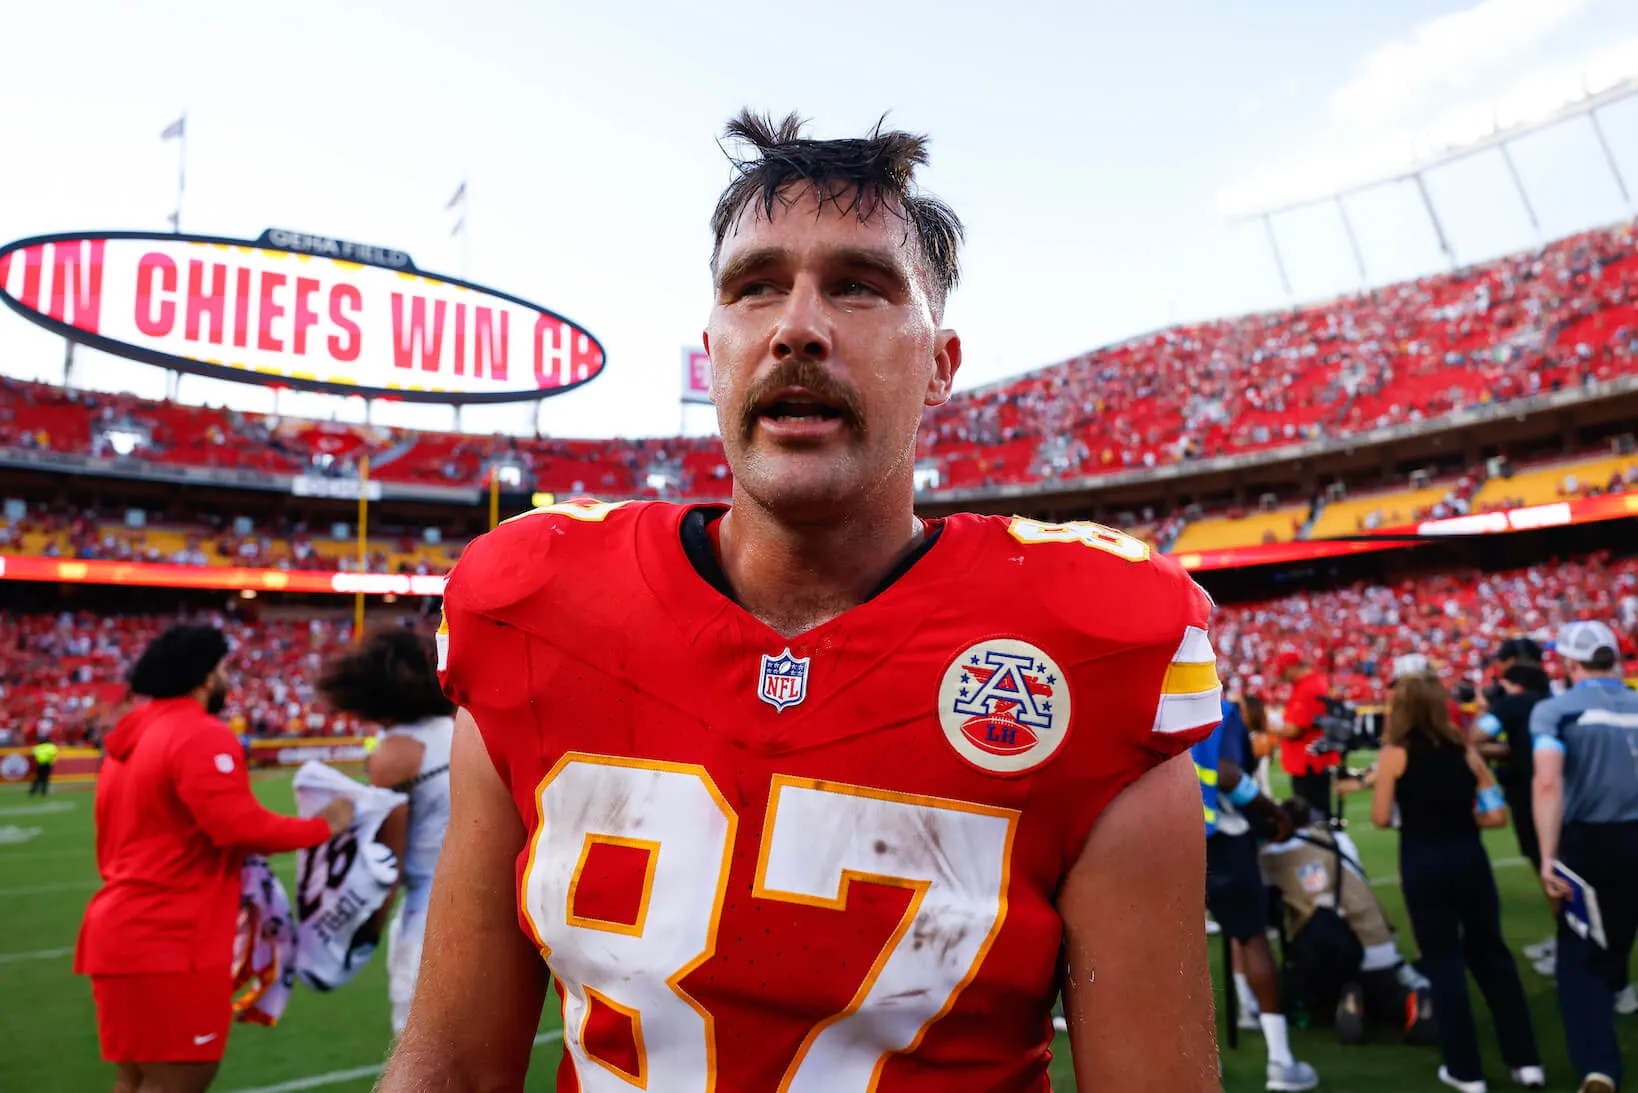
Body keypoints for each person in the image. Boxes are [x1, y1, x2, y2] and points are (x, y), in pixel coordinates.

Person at [383, 111, 1227, 1091]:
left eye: (860, 287)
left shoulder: (1091, 646)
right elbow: (447, 1067)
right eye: (757, 287)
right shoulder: (539, 607)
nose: (797, 327)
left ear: (940, 366)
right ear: (715, 350)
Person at [75, 625, 354, 1093]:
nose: (227, 680)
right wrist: (326, 825)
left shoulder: (131, 738)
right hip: (170, 939)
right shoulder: (198, 733)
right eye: (223, 670)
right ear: (205, 677)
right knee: (178, 1081)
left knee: (134, 1080)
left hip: (122, 934)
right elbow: (239, 828)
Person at [1372, 672, 1544, 1093]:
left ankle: (1466, 1071)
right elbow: (1495, 814)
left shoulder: (1395, 755)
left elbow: (1380, 817)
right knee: (1493, 957)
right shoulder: (1466, 753)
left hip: (1423, 862)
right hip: (1470, 858)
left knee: (1444, 964)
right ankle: (1526, 1062)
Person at [316, 627, 454, 1035]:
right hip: (486, 896)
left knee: (420, 1045)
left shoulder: (395, 752)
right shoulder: (465, 726)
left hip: (429, 909)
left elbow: (385, 863)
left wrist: (364, 933)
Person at [1531, 620, 1638, 1093]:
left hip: (1588, 843)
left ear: (1569, 664)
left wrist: (1547, 856)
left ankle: (1599, 1066)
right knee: (1618, 937)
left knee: (1580, 957)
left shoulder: (1556, 710)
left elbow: (1548, 782)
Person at [1193, 691, 1318, 1090]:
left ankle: (1194, 1060)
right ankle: (1280, 1060)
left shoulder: (1148, 705)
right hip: (1224, 842)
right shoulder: (1218, 708)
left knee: (1176, 950)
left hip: (1167, 838)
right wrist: (1271, 809)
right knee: (1252, 937)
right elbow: (1228, 773)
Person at [1260, 796, 1435, 1047]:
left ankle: (1348, 999)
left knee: (1308, 979)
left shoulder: (1271, 857)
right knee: (1389, 985)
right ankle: (1408, 1001)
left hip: (1335, 949)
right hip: (1377, 940)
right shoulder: (1339, 840)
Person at [1472, 653, 1555, 971]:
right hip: (1565, 794)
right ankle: (1569, 938)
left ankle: (1571, 944)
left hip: (1531, 797)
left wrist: (1483, 708)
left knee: (1546, 867)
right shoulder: (1551, 702)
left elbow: (1474, 737)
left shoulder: (1512, 704)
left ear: (1516, 685)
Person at [1270, 650, 1341, 823]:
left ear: (1293, 667)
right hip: (1310, 760)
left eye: (1285, 672)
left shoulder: (1308, 688)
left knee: (1310, 816)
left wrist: (1268, 726)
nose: (1285, 678)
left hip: (1309, 762)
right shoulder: (1308, 684)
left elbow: (1295, 730)